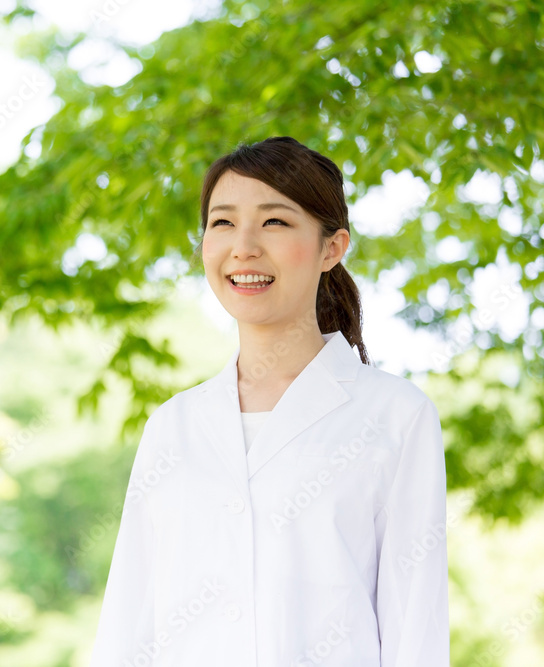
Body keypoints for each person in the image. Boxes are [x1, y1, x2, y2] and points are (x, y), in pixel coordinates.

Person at [88, 136, 449, 666]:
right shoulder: (173, 426)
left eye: (274, 221)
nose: (244, 247)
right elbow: (129, 620)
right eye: (223, 222)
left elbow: (416, 627)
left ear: (332, 248)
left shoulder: (395, 416)